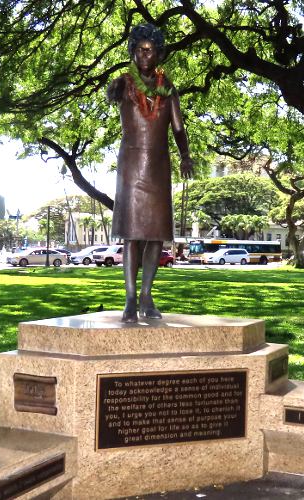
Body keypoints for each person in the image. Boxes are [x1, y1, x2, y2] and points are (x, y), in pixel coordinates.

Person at [107, 23, 193, 323]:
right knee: (131, 235)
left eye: (151, 50)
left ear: (158, 54)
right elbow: (112, 95)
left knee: (155, 234)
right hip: (131, 167)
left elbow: (179, 128)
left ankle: (146, 294)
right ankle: (130, 298)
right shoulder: (123, 84)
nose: (145, 54)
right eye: (140, 49)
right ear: (133, 52)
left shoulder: (167, 90)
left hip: (157, 166)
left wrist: (185, 155)